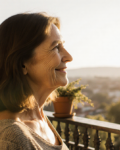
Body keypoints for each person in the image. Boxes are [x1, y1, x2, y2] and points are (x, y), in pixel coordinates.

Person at [0, 12, 73, 150]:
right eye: (56, 47)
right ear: (22, 63)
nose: (69, 57)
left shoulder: (40, 117)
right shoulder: (12, 138)